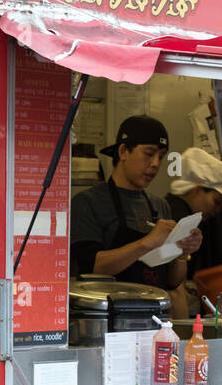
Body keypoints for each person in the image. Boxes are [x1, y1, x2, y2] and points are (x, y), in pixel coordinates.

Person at [70, 115, 202, 294]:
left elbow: (172, 281)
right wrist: (146, 243)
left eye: (161, 157)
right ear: (123, 151)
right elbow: (91, 267)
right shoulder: (87, 203)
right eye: (149, 154)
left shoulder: (159, 205)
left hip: (154, 313)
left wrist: (182, 252)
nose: (155, 164)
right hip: (107, 316)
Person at [164, 146, 222, 282]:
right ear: (197, 190)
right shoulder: (172, 217)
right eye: (217, 202)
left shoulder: (201, 219)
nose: (217, 211)